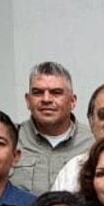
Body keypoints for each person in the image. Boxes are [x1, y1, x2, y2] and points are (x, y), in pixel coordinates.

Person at [11, 61, 93, 193]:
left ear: (72, 101)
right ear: (28, 100)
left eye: (56, 92)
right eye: (38, 92)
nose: (46, 99)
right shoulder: (10, 139)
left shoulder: (93, 143)